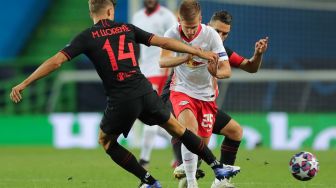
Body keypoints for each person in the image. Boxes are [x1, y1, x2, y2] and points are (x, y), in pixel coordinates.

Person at [9, 1, 240, 188]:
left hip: (121, 98)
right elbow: (163, 41)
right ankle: (216, 165)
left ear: (92, 12)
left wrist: (25, 83)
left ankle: (148, 181)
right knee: (178, 129)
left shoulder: (86, 37)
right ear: (110, 10)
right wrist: (196, 50)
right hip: (145, 90)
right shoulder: (127, 28)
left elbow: (56, 61)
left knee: (106, 141)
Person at [161, 10, 269, 188]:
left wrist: (258, 54)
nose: (220, 36)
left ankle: (220, 181)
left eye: (224, 33)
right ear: (207, 27)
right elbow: (165, 56)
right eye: (217, 31)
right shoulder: (189, 43)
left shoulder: (221, 51)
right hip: (174, 99)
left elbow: (251, 68)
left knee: (235, 131)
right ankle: (185, 167)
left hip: (203, 102)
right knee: (191, 133)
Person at [158, 1, 241, 187]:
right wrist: (187, 56)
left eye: (193, 27)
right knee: (190, 132)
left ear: (201, 20)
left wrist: (215, 73)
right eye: (186, 27)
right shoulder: (171, 33)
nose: (189, 32)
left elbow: (227, 70)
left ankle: (212, 180)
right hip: (181, 91)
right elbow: (163, 62)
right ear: (180, 20)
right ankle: (192, 182)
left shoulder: (211, 35)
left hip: (206, 97)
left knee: (199, 146)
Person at [132, 0, 177, 168]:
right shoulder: (137, 16)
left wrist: (170, 68)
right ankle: (179, 139)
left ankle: (144, 159)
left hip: (160, 71)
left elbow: (174, 42)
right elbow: (134, 43)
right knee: (144, 115)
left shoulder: (166, 16)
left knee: (151, 114)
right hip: (143, 71)